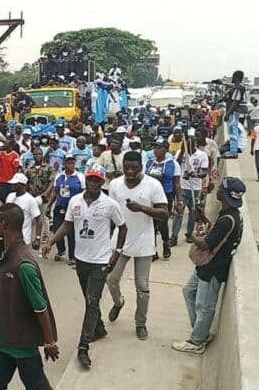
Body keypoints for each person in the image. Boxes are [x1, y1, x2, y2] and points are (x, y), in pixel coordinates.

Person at [41, 165, 127, 368]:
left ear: (102, 182)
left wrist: (117, 252)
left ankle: (83, 347)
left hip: (101, 261)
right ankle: (99, 328)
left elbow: (123, 228)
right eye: (91, 179)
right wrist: (51, 241)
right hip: (81, 260)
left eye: (98, 180)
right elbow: (67, 225)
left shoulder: (110, 204)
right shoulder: (75, 201)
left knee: (92, 301)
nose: (93, 183)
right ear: (86, 180)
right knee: (89, 299)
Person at [0, 203, 59, 390]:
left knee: (37, 385)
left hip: (21, 344)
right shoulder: (3, 251)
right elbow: (3, 281)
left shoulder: (24, 264)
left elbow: (40, 307)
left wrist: (49, 342)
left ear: (4, 224)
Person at [172, 178, 245, 354]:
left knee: (204, 306)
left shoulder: (228, 219)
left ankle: (197, 341)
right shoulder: (230, 214)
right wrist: (202, 217)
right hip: (207, 267)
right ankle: (201, 331)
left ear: (225, 195)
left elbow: (207, 244)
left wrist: (195, 237)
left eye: (220, 188)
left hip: (213, 268)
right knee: (188, 291)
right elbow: (218, 234)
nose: (217, 189)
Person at [106, 151, 169, 341]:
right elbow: (111, 213)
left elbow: (164, 213)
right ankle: (118, 302)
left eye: (134, 167)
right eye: (127, 167)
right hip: (120, 241)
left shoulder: (153, 185)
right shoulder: (115, 184)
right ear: (122, 166)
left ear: (141, 166)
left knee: (142, 286)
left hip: (144, 242)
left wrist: (142, 208)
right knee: (111, 278)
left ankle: (140, 323)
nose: (131, 171)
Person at [43, 154, 85, 265]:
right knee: (57, 229)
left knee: (71, 232)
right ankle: (61, 250)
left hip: (74, 208)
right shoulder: (59, 176)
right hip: (60, 206)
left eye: (73, 162)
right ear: (64, 163)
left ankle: (72, 256)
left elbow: (84, 192)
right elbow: (54, 191)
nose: (71, 164)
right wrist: (48, 205)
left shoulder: (80, 177)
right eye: (68, 162)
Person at [145, 138, 183, 259]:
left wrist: (179, 201)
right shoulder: (149, 163)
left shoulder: (173, 164)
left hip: (165, 197)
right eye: (155, 147)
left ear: (166, 149)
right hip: (149, 197)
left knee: (162, 223)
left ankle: (166, 242)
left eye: (159, 147)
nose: (156, 150)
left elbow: (177, 183)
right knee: (151, 224)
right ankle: (152, 250)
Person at [171, 135, 209, 245]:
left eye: (191, 145)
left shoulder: (202, 155)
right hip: (182, 187)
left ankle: (189, 234)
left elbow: (204, 172)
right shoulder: (180, 152)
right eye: (187, 145)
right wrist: (183, 151)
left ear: (195, 145)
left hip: (195, 188)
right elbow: (176, 165)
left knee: (193, 212)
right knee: (179, 212)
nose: (189, 147)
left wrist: (194, 174)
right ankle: (174, 236)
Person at [5, 173, 42, 249]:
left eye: (15, 184)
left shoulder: (30, 200)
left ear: (22, 185)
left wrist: (37, 238)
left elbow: (38, 219)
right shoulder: (10, 196)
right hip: (8, 237)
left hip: (23, 239)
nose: (12, 185)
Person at [220, 71, 246, 159]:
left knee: (232, 132)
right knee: (232, 131)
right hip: (235, 113)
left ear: (235, 77)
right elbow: (233, 86)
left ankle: (233, 152)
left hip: (233, 113)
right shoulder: (240, 86)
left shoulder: (238, 88)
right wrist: (224, 84)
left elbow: (235, 102)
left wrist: (228, 114)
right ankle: (233, 150)